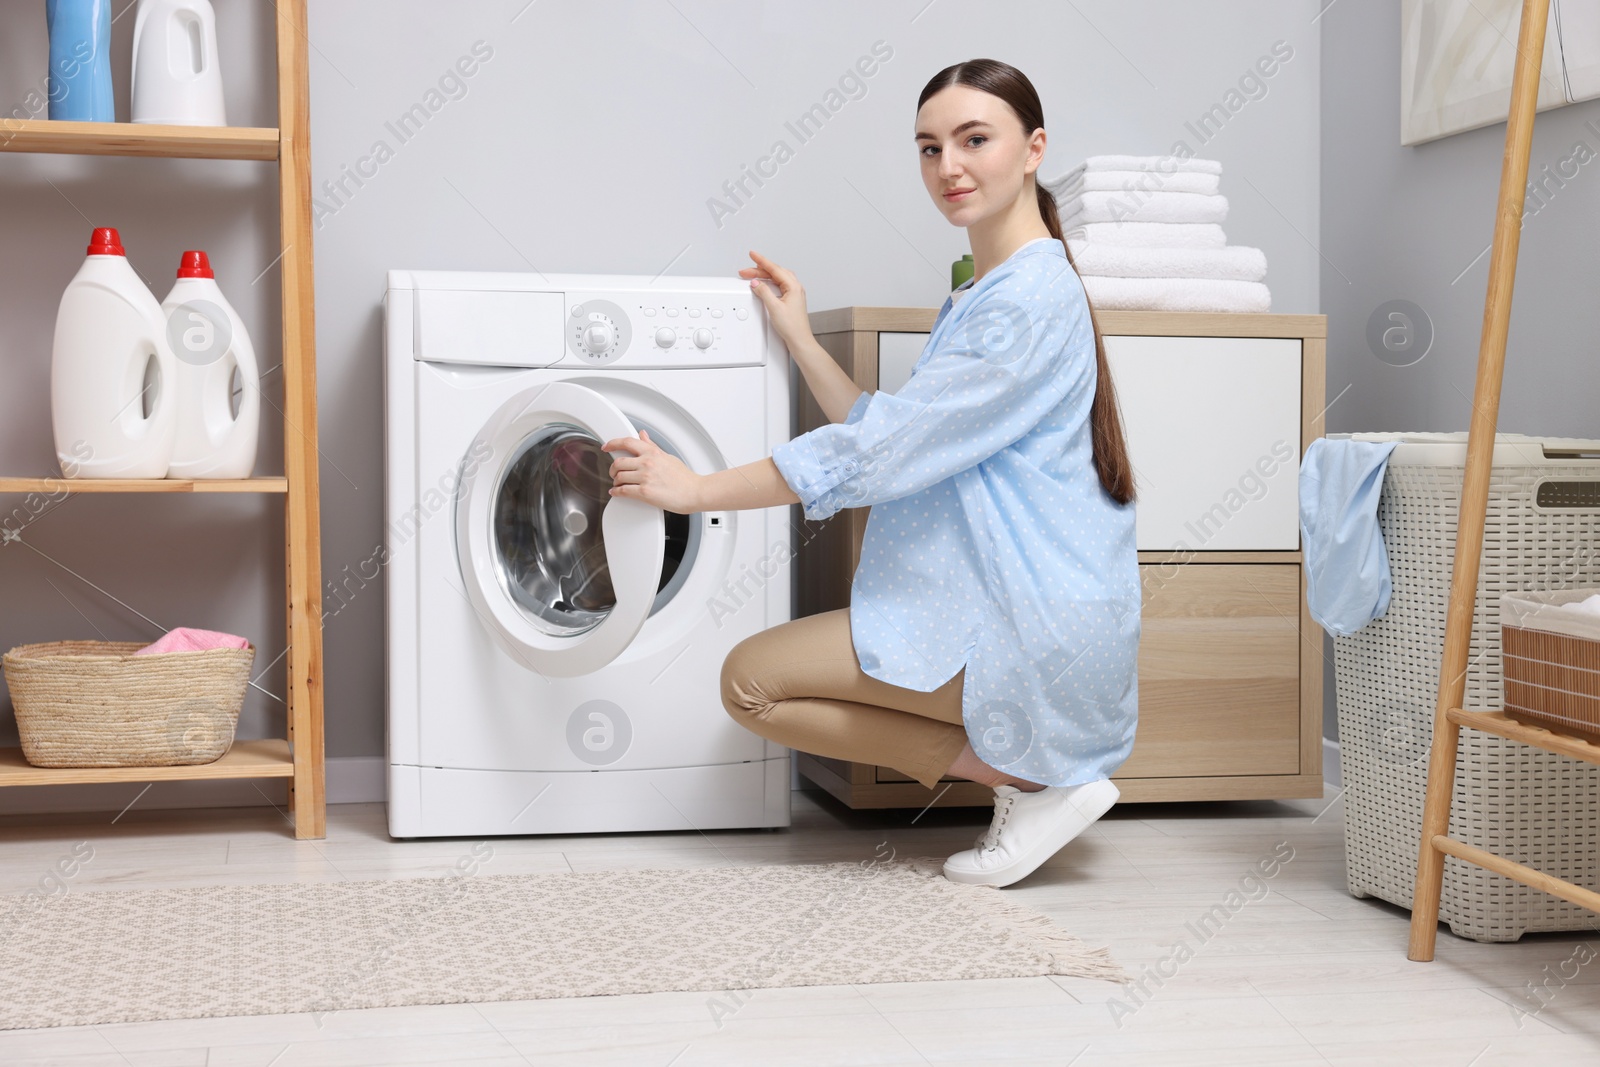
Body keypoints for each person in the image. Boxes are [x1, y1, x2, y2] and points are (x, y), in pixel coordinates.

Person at [604, 58, 1141, 889]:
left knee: (750, 682)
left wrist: (696, 490)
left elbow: (879, 454)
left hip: (1029, 626)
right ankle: (1025, 778)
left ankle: (1028, 778)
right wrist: (802, 339)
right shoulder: (990, 290)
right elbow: (894, 435)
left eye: (974, 140)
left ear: (1034, 149)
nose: (948, 168)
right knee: (756, 678)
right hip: (1014, 605)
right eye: (929, 148)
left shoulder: (1027, 301)